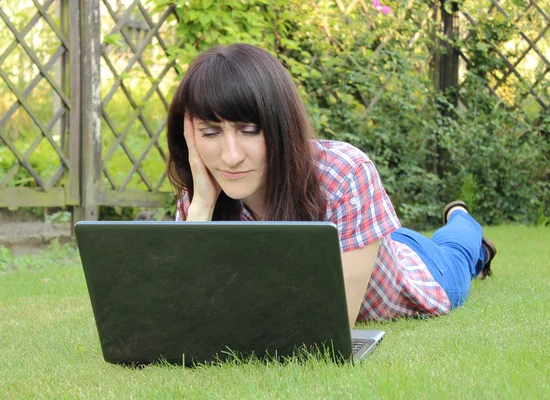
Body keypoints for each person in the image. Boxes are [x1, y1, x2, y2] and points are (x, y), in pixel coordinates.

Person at [166, 43, 497, 326]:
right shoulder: (202, 192)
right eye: (210, 133)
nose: (231, 156)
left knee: (459, 249)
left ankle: (464, 222)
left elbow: (331, 323)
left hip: (426, 270)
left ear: (280, 125)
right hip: (367, 234)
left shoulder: (345, 172)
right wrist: (203, 207)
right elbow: (184, 312)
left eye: (250, 130)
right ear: (189, 136)